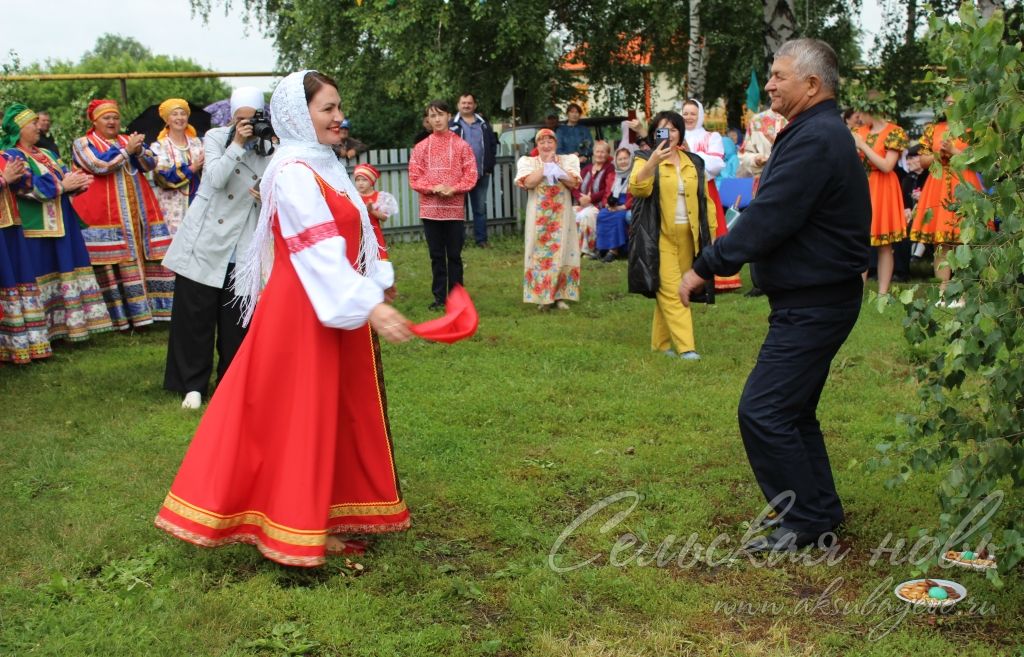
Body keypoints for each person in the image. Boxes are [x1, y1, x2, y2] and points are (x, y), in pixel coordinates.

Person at [155, 70, 413, 567]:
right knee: (298, 416)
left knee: (329, 412)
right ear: (300, 115)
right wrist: (368, 302)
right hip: (304, 307)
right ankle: (294, 526)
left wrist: (375, 281)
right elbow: (315, 248)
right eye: (328, 109)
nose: (340, 117)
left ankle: (322, 513)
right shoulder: (293, 170)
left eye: (340, 107)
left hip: (330, 303)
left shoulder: (325, 163)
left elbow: (353, 231)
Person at [679, 39, 870, 552]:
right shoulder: (814, 132)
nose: (769, 85)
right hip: (814, 296)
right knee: (791, 410)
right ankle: (820, 510)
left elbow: (768, 218)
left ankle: (805, 521)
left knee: (762, 410)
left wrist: (705, 266)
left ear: (812, 84)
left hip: (817, 301)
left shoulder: (816, 138)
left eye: (779, 75)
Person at [162, 87, 270, 410]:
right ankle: (192, 384)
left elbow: (275, 193)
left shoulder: (271, 148)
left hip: (243, 239)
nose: (247, 125)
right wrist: (236, 144)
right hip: (206, 237)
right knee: (194, 315)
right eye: (240, 119)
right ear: (232, 117)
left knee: (236, 320)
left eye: (253, 119)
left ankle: (231, 381)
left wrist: (268, 198)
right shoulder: (215, 138)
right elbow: (214, 179)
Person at [2, 103, 112, 346]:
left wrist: (78, 182)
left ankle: (70, 328)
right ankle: (44, 333)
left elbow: (64, 174)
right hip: (36, 227)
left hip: (62, 222)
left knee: (64, 274)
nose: (37, 127)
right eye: (32, 123)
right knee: (42, 277)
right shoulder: (12, 156)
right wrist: (63, 186)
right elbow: (25, 187)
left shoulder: (47, 154)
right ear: (20, 129)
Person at [71, 99, 175, 328]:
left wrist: (137, 151)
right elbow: (98, 165)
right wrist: (127, 151)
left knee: (147, 255)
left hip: (138, 211)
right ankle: (119, 317)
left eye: (115, 117)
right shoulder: (83, 143)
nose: (112, 121)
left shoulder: (128, 140)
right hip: (104, 215)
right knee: (113, 262)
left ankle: (152, 313)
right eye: (106, 118)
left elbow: (150, 164)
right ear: (94, 121)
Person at [629, 111, 716, 361]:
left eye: (673, 129)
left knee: (668, 290)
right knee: (672, 288)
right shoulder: (644, 157)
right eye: (662, 130)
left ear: (680, 133)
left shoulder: (694, 162)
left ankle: (660, 344)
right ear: (655, 133)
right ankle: (687, 347)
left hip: (689, 237)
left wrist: (713, 233)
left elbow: (705, 200)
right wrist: (652, 162)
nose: (668, 134)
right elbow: (638, 189)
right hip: (660, 236)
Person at [908, 96, 983, 303]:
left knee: (963, 239)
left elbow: (978, 160)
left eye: (954, 102)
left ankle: (963, 292)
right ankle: (943, 291)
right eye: (947, 102)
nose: (950, 106)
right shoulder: (934, 128)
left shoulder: (972, 128)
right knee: (941, 243)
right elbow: (922, 161)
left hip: (964, 183)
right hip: (938, 185)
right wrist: (938, 155)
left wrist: (954, 151)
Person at [408, 99, 477, 311]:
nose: (437, 119)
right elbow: (414, 177)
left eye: (440, 114)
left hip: (454, 210)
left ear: (448, 116)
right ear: (427, 120)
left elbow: (471, 175)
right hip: (430, 210)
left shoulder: (462, 146)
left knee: (454, 255)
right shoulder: (420, 148)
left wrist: (453, 188)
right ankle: (439, 298)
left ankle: (457, 299)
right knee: (436, 256)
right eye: (432, 115)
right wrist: (434, 187)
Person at [516, 128, 581, 311]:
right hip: (538, 216)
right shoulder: (528, 162)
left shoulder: (568, 161)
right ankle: (542, 296)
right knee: (539, 252)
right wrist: (545, 167)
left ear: (556, 144)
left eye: (550, 141)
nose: (546, 145)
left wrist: (555, 167)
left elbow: (573, 182)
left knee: (563, 250)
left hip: (562, 215)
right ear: (537, 145)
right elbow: (528, 183)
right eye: (542, 142)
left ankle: (559, 296)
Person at [852, 95, 908, 296]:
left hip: (883, 187)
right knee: (861, 239)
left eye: (861, 111)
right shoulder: (858, 132)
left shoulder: (894, 132)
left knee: (885, 244)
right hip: (863, 186)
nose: (858, 117)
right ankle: (857, 290)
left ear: (872, 111)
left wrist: (862, 146)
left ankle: (883, 293)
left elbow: (886, 165)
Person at [683, 99, 740, 292]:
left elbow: (717, 164)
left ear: (700, 115)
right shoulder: (675, 135)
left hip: (705, 189)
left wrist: (690, 154)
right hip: (680, 189)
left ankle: (718, 278)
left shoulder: (711, 136)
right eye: (685, 113)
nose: (689, 117)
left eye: (692, 113)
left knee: (709, 230)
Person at [0, 151, 52, 364]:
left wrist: (24, 174)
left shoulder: (4, 155)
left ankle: (22, 345)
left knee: (16, 281)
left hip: (11, 228)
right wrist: (4, 179)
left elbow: (25, 187)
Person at [450, 93, 498, 248]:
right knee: (458, 210)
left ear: (474, 105)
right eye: (463, 103)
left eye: (469, 103)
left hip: (481, 173)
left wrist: (489, 167)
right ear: (458, 105)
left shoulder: (484, 124)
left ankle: (481, 240)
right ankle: (458, 241)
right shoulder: (452, 125)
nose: (466, 106)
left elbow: (492, 145)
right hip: (459, 176)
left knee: (480, 209)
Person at [151, 98, 205, 236]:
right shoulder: (158, 146)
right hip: (172, 207)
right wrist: (192, 168)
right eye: (174, 114)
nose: (179, 118)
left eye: (183, 114)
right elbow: (162, 178)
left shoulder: (198, 143)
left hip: (199, 202)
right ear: (167, 120)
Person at [573, 139, 614, 260]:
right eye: (598, 151)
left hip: (598, 204)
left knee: (587, 215)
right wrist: (580, 198)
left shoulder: (609, 168)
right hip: (582, 203)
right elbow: (575, 185)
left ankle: (588, 250)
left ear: (607, 154)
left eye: (603, 152)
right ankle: (573, 249)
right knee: (570, 213)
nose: (600, 154)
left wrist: (590, 198)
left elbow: (607, 189)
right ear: (593, 153)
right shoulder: (587, 168)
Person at [595, 147, 634, 261]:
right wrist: (607, 204)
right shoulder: (612, 175)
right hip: (613, 204)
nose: (623, 161)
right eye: (620, 159)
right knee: (602, 214)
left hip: (626, 204)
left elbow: (636, 196)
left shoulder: (635, 174)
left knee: (619, 217)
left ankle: (614, 250)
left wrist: (623, 207)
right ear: (616, 161)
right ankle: (602, 248)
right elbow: (607, 193)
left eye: (625, 158)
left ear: (630, 159)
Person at [353, 163, 398, 252]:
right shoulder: (353, 197)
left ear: (372, 182)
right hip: (356, 234)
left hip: (374, 234)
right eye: (357, 180)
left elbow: (384, 218)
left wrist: (371, 210)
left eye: (364, 180)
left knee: (377, 260)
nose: (360, 183)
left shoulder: (380, 197)